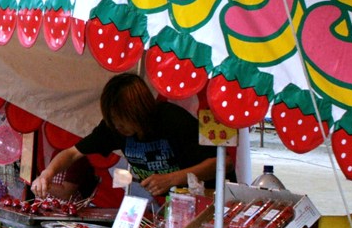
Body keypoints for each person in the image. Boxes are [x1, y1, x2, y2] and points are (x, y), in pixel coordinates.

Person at [32, 74, 218, 199]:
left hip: (207, 198)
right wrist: (47, 174)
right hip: (174, 204)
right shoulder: (113, 128)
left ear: (139, 111)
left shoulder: (173, 120)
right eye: (113, 120)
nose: (117, 126)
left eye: (122, 120)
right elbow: (72, 153)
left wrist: (172, 179)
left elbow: (221, 163)